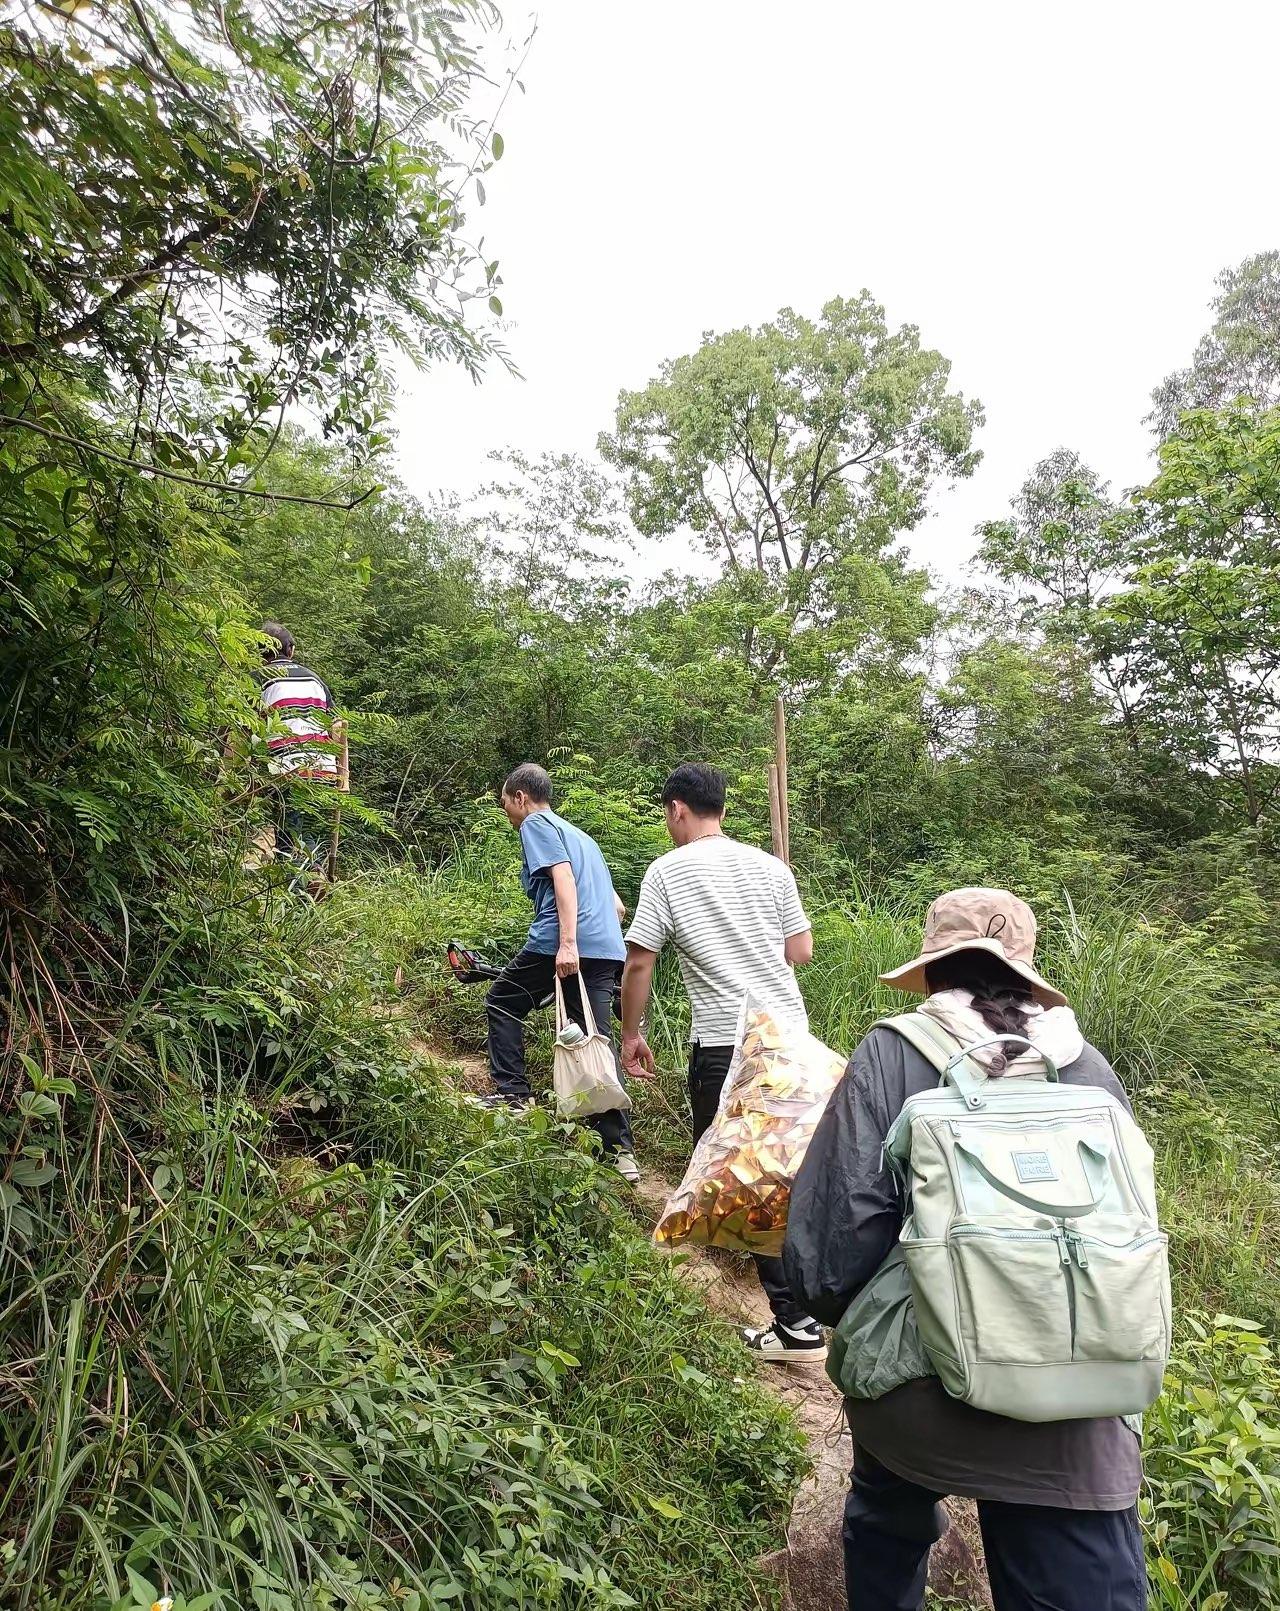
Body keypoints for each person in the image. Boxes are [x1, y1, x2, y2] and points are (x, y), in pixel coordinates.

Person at [784, 887, 1147, 1611]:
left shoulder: (891, 1052)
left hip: (920, 1403)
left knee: (884, 1504)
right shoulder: (1092, 1072)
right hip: (1077, 1398)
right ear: (1027, 972)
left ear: (933, 971)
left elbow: (828, 1262)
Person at [620, 762, 823, 1362]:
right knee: (792, 1173)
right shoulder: (771, 867)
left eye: (667, 815)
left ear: (677, 809)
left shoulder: (667, 871)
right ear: (724, 810)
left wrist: (631, 1035)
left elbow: (639, 962)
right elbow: (800, 952)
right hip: (791, 1042)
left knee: (747, 1181)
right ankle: (813, 1306)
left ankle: (792, 1324)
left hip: (727, 1047)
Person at [482, 763, 639, 1182]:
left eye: (505, 804)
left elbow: (563, 879)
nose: (507, 814)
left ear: (521, 797)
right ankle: (620, 1153)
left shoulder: (535, 824)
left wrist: (568, 943)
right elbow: (618, 906)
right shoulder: (581, 836)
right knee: (595, 1037)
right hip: (606, 947)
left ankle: (512, 1096)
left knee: (503, 1000)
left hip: (566, 944)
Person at [254, 622, 342, 881]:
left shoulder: (259, 678)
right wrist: (343, 773)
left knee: (287, 839)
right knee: (306, 834)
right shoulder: (315, 679)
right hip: (323, 768)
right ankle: (312, 880)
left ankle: (299, 890)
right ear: (290, 650)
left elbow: (240, 732)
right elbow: (338, 726)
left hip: (285, 770)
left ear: (260, 653)